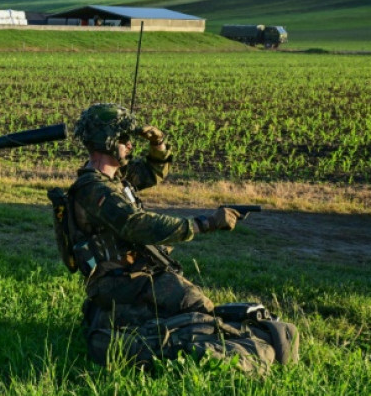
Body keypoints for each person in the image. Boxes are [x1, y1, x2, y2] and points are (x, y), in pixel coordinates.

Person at [53, 103, 298, 373]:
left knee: (196, 306)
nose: (130, 145)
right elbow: (135, 224)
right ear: (106, 141)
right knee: (195, 306)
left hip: (135, 276)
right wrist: (203, 224)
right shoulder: (94, 190)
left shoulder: (115, 178)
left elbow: (153, 171)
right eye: (124, 139)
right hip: (120, 282)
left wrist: (158, 143)